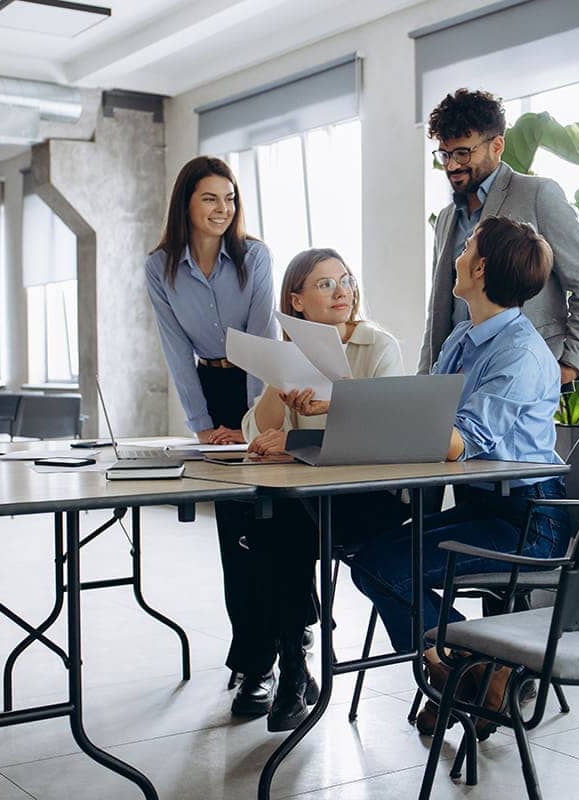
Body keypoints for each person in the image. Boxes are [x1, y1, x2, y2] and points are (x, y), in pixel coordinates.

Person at [349, 216, 569, 731]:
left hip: (528, 523)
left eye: (466, 245)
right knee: (373, 558)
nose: (457, 254)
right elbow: (424, 408)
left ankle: (457, 670)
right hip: (483, 508)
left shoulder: (517, 352)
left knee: (382, 564)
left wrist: (372, 420)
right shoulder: (465, 337)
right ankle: (468, 670)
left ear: (482, 266)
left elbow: (457, 440)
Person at [225, 248, 408, 731]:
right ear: (297, 301)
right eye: (325, 284)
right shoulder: (289, 353)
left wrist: (299, 440)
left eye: (345, 280)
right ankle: (293, 663)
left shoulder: (378, 346)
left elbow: (384, 431)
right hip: (307, 504)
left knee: (272, 528)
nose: (341, 291)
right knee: (275, 519)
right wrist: (274, 387)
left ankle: (294, 659)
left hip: (368, 502)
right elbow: (253, 435)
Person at [420, 88, 579, 390]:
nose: (451, 165)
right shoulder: (445, 218)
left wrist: (569, 365)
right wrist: (425, 380)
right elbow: (438, 309)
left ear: (497, 145)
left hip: (524, 374)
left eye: (463, 152)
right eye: (445, 154)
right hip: (457, 376)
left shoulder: (539, 195)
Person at [145, 156, 276, 444]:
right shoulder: (159, 267)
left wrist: (256, 423)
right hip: (208, 386)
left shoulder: (256, 257)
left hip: (257, 384)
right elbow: (176, 351)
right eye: (210, 199)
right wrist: (201, 425)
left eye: (230, 199)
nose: (223, 209)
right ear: (185, 203)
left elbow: (262, 343)